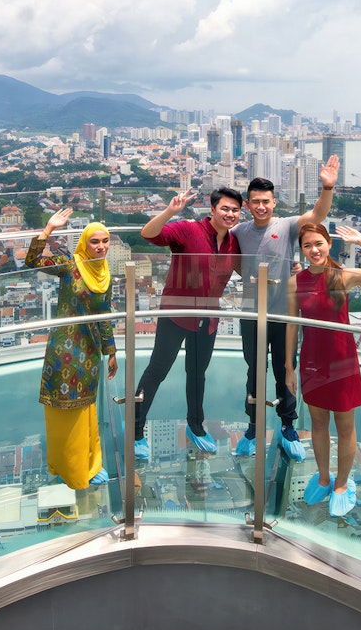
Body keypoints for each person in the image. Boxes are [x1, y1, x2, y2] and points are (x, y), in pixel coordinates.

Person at [232, 155, 340, 461]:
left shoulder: (288, 225)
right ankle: (253, 426)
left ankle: (288, 425)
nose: (261, 207)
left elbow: (317, 214)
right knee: (255, 370)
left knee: (285, 369)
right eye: (255, 202)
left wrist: (327, 188)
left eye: (266, 201)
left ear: (274, 202)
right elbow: (231, 260)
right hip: (252, 312)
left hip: (283, 313)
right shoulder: (240, 231)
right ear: (248, 204)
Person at [285, 223, 361, 517]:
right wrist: (288, 367)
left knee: (345, 428)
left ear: (329, 243)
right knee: (318, 424)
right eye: (307, 246)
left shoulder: (341, 277)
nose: (314, 250)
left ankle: (343, 484)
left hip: (342, 361)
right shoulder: (295, 282)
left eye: (318, 243)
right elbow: (292, 326)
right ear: (302, 250)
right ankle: (323, 477)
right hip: (312, 360)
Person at [133, 187, 242, 457]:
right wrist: (171, 211)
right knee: (157, 370)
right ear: (212, 209)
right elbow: (148, 234)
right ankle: (135, 430)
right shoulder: (188, 229)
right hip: (176, 314)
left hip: (208, 319)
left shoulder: (232, 242)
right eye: (224, 209)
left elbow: (246, 269)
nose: (229, 214)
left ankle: (195, 425)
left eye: (235, 210)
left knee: (197, 374)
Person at [25, 208, 118, 489]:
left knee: (87, 410)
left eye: (105, 241)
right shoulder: (70, 265)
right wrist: (48, 229)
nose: (100, 247)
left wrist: (110, 351)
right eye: (94, 242)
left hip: (89, 351)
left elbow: (104, 315)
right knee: (66, 411)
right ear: (84, 243)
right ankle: (69, 469)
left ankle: (90, 464)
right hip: (64, 350)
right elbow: (32, 261)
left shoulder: (104, 274)